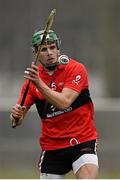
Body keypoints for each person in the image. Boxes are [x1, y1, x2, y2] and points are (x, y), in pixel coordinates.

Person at [10, 29, 99, 179]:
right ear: (36, 54)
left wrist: (39, 84)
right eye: (44, 49)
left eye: (52, 47)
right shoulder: (31, 83)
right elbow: (16, 121)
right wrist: (16, 116)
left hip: (82, 139)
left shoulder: (75, 69)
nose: (49, 53)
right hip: (52, 146)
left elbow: (64, 102)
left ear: (58, 48)